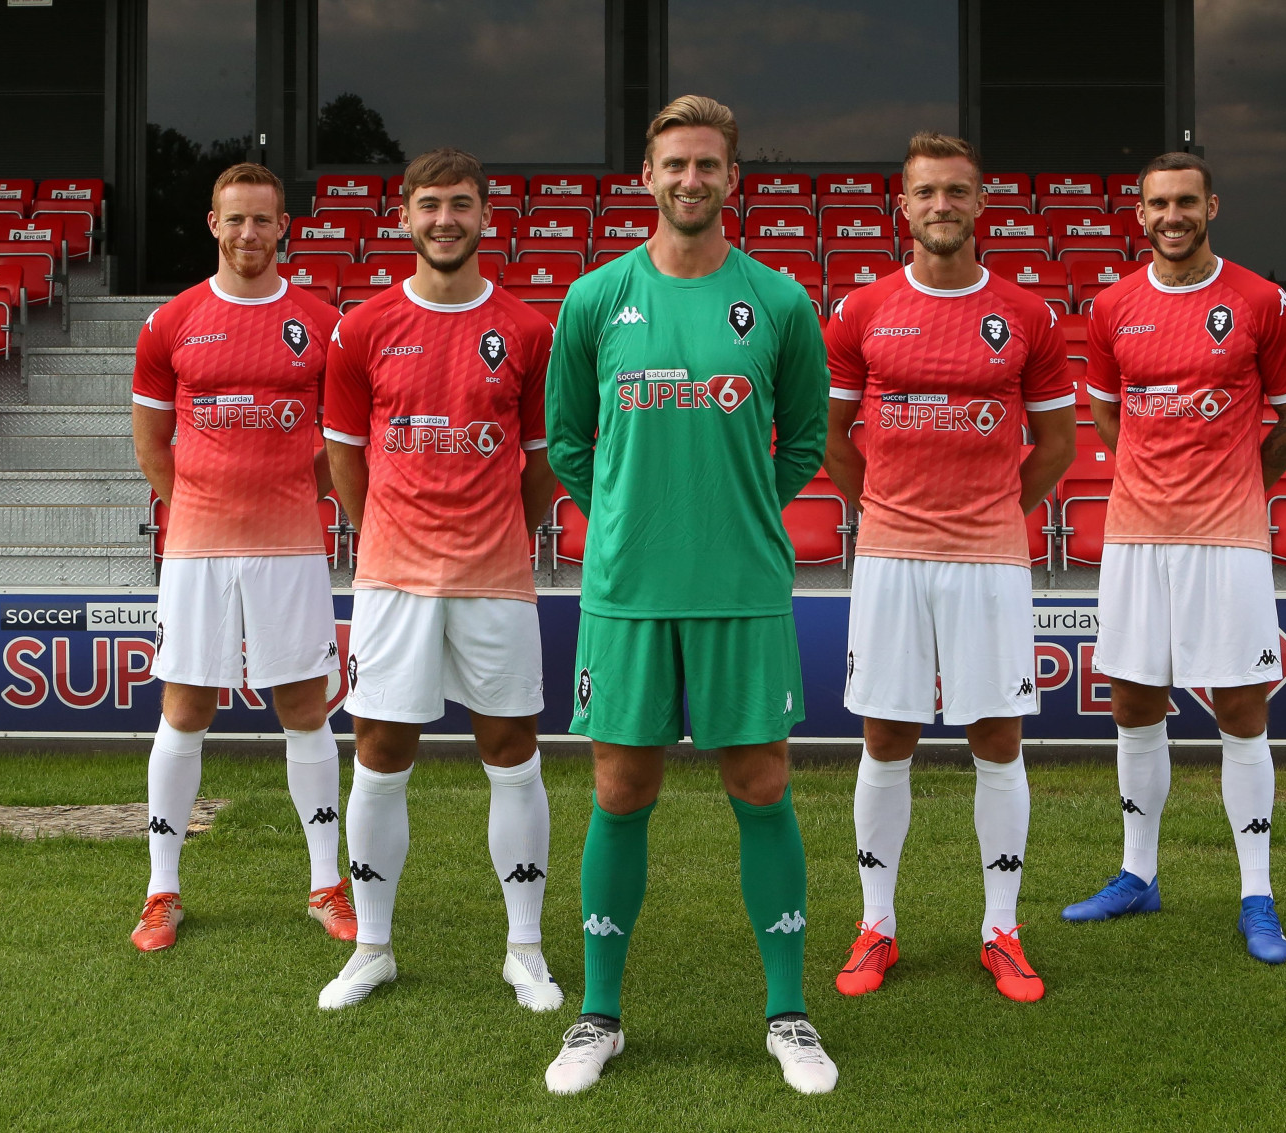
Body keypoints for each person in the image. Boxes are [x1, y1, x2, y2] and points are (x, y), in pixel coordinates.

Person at [541, 95, 835, 1096]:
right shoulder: (593, 299)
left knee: (759, 783)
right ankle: (597, 1014)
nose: (690, 180)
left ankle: (788, 1011)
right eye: (674, 165)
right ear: (646, 177)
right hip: (627, 589)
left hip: (740, 587)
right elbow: (570, 443)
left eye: (708, 165)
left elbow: (803, 440)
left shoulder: (780, 301)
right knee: (621, 789)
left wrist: (736, 510)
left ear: (732, 179)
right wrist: (627, 514)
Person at [822, 132, 1077, 1003]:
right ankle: (876, 924)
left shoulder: (1028, 315)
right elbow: (829, 435)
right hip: (892, 556)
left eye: (957, 192)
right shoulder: (861, 311)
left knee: (996, 739)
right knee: (885, 737)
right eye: (926, 192)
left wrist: (998, 511)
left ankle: (1001, 929)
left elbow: (1055, 445)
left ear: (981, 204)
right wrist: (881, 506)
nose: (942, 206)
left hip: (988, 560)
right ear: (904, 204)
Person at [317, 148, 561, 1011]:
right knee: (381, 757)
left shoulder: (530, 331)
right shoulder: (364, 326)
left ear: (487, 218)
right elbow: (345, 457)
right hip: (394, 580)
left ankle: (524, 947)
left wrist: (501, 534)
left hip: (495, 577)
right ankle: (373, 948)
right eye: (430, 205)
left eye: (462, 204)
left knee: (512, 753)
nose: (446, 219)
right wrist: (385, 530)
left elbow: (543, 463)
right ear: (404, 217)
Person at [1062, 152, 1286, 964]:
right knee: (1134, 700)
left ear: (1213, 205)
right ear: (1138, 215)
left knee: (1241, 705)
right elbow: (1109, 414)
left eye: (1186, 202)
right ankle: (1139, 874)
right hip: (1137, 535)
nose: (1172, 216)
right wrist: (1156, 479)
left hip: (1226, 538)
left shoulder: (1259, 301)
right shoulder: (1112, 307)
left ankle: (1256, 893)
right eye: (1157, 204)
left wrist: (1241, 480)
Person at [129, 162, 351, 952]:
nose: (249, 234)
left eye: (264, 220)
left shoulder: (323, 322)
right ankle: (162, 891)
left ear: (285, 226)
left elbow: (344, 442)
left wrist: (297, 488)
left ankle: (328, 883)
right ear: (212, 224)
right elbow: (153, 441)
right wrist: (195, 505)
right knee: (186, 709)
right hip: (198, 548)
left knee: (305, 708)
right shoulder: (172, 322)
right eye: (236, 220)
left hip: (289, 544)